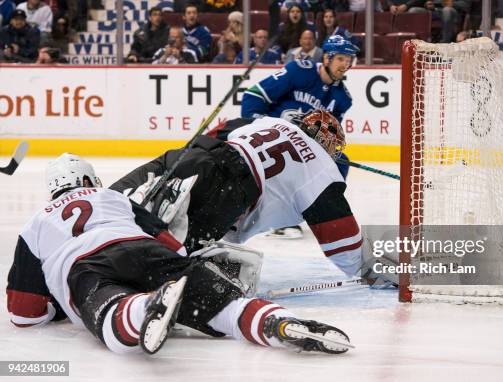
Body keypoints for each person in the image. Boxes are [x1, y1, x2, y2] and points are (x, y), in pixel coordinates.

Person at [7, 153, 352, 356]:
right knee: (226, 309)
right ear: (89, 179)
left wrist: (55, 309)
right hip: (147, 251)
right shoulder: (113, 198)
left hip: (88, 267)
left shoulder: (36, 223)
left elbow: (23, 313)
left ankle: (145, 308)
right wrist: (186, 266)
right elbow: (172, 243)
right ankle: (276, 322)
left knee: (111, 315)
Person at [110, 110, 366, 280]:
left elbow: (214, 132)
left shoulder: (267, 122)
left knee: (108, 205)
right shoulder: (321, 168)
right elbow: (345, 246)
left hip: (188, 156)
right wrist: (385, 269)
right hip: (228, 190)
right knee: (159, 262)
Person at [241, 34, 357, 236]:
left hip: (299, 144)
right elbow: (254, 95)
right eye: (341, 59)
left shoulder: (342, 98)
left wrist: (323, 143)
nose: (345, 65)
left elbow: (330, 137)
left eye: (348, 61)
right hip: (270, 134)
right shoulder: (299, 70)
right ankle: (278, 217)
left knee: (340, 162)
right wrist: (256, 125)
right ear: (327, 58)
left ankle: (320, 214)